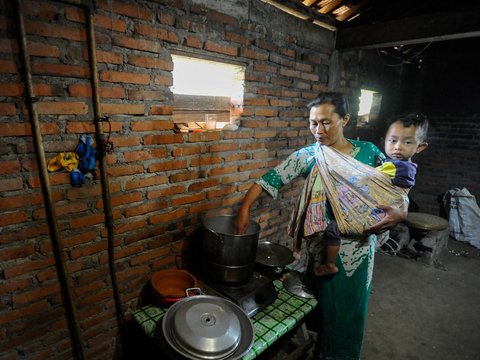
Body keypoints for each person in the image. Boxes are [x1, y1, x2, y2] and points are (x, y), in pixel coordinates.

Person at [234, 92, 408, 360]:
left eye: (326, 122)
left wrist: (401, 212)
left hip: (359, 250)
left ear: (345, 120)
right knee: (328, 308)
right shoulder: (309, 156)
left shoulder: (368, 152)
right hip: (324, 247)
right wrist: (244, 210)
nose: (318, 130)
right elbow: (270, 179)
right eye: (313, 123)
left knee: (352, 311)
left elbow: (395, 189)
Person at [316, 114, 429, 276]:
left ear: (420, 147)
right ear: (384, 140)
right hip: (369, 212)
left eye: (407, 142)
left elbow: (394, 190)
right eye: (393, 140)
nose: (398, 147)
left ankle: (329, 264)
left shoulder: (403, 168)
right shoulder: (387, 162)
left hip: (371, 216)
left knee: (333, 229)